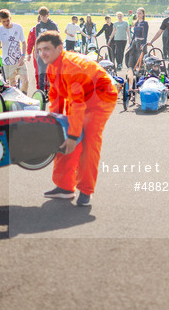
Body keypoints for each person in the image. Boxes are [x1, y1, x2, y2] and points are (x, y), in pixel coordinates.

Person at [37, 31, 117, 206]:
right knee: (62, 134)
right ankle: (65, 187)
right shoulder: (52, 66)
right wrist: (56, 124)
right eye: (40, 49)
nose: (43, 53)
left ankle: (86, 190)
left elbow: (77, 106)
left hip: (100, 97)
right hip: (80, 97)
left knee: (88, 140)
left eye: (47, 49)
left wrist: (73, 136)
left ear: (59, 48)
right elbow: (56, 96)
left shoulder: (71, 67)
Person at [0, 9, 29, 93]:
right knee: (11, 84)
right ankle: (14, 99)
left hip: (19, 60)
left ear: (10, 17)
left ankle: (23, 97)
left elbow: (24, 43)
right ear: (0, 21)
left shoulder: (18, 27)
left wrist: (23, 56)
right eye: (4, 21)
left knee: (26, 81)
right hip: (8, 63)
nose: (6, 23)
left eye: (8, 20)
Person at [34, 7, 59, 88]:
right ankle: (41, 91)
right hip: (41, 52)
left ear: (48, 15)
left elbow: (57, 38)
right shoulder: (38, 26)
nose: (43, 18)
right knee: (41, 72)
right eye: (41, 16)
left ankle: (50, 89)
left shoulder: (53, 25)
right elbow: (37, 39)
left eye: (44, 16)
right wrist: (35, 51)